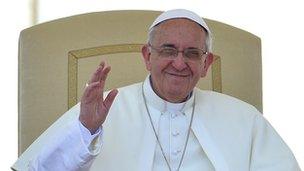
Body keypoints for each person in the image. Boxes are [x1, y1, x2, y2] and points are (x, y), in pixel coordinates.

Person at [13, 9, 300, 171]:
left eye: (191, 53)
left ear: (206, 63)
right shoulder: (99, 113)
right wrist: (84, 132)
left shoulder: (244, 119)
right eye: (168, 50)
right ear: (147, 57)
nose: (179, 62)